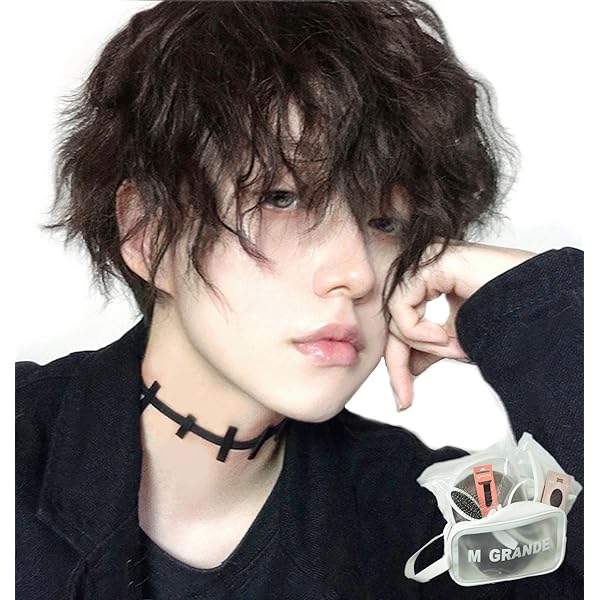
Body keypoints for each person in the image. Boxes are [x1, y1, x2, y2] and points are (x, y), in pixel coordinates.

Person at [15, 1, 583, 599]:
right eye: (281, 198)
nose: (356, 275)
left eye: (386, 222)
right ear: (148, 231)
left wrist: (535, 304)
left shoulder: (425, 530)